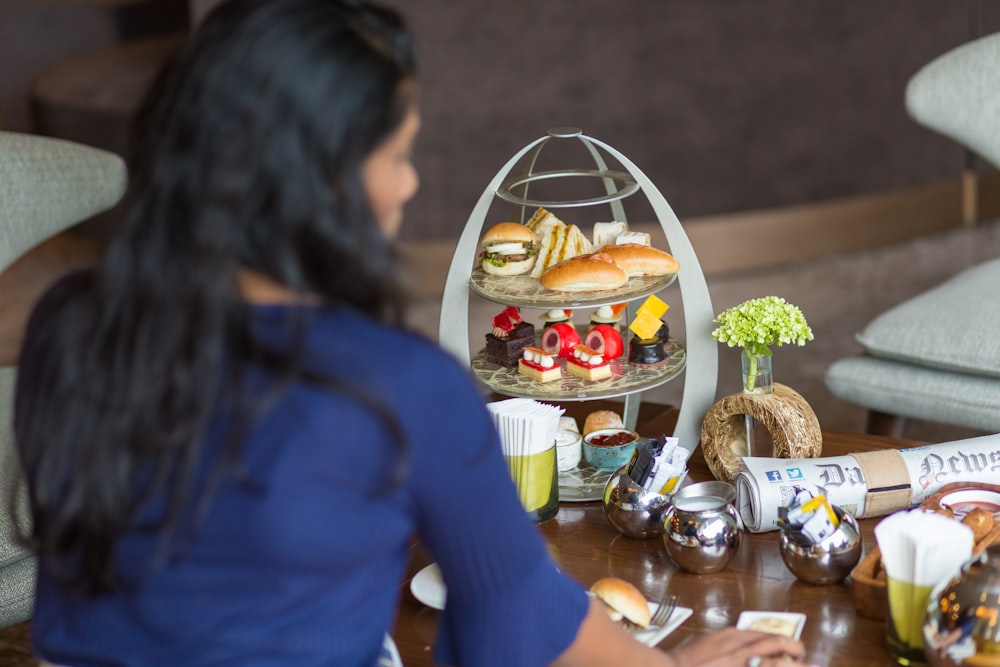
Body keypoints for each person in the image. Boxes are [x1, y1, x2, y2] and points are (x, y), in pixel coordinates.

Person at [12, 1, 816, 666]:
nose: (410, 183)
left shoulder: (71, 325)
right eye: (395, 155)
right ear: (321, 182)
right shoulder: (397, 382)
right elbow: (517, 618)